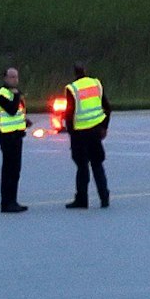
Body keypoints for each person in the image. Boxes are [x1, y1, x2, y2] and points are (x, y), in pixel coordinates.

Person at [63, 62, 110, 209]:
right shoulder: (96, 84)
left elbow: (69, 114)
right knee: (97, 164)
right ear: (85, 70)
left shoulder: (72, 89)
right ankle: (104, 198)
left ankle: (82, 200)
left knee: (82, 167)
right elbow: (107, 107)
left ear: (74, 73)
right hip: (96, 131)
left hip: (79, 134)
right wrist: (104, 127)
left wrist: (70, 133)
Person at [0, 67, 29, 213]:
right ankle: (6, 203)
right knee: (9, 170)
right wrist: (16, 96)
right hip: (7, 136)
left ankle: (13, 200)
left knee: (15, 170)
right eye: (12, 77)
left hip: (17, 135)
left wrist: (24, 121)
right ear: (5, 78)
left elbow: (17, 113)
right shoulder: (2, 95)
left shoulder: (15, 94)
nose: (15, 80)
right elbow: (12, 110)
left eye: (16, 77)